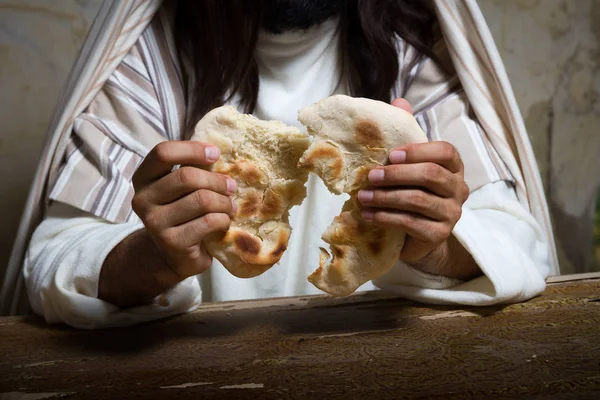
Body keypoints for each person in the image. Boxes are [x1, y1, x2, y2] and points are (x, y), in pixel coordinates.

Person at [0, 0, 558, 328]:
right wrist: (151, 258)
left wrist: (433, 241)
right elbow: (53, 265)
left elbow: (517, 246)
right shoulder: (149, 57)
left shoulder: (410, 45)